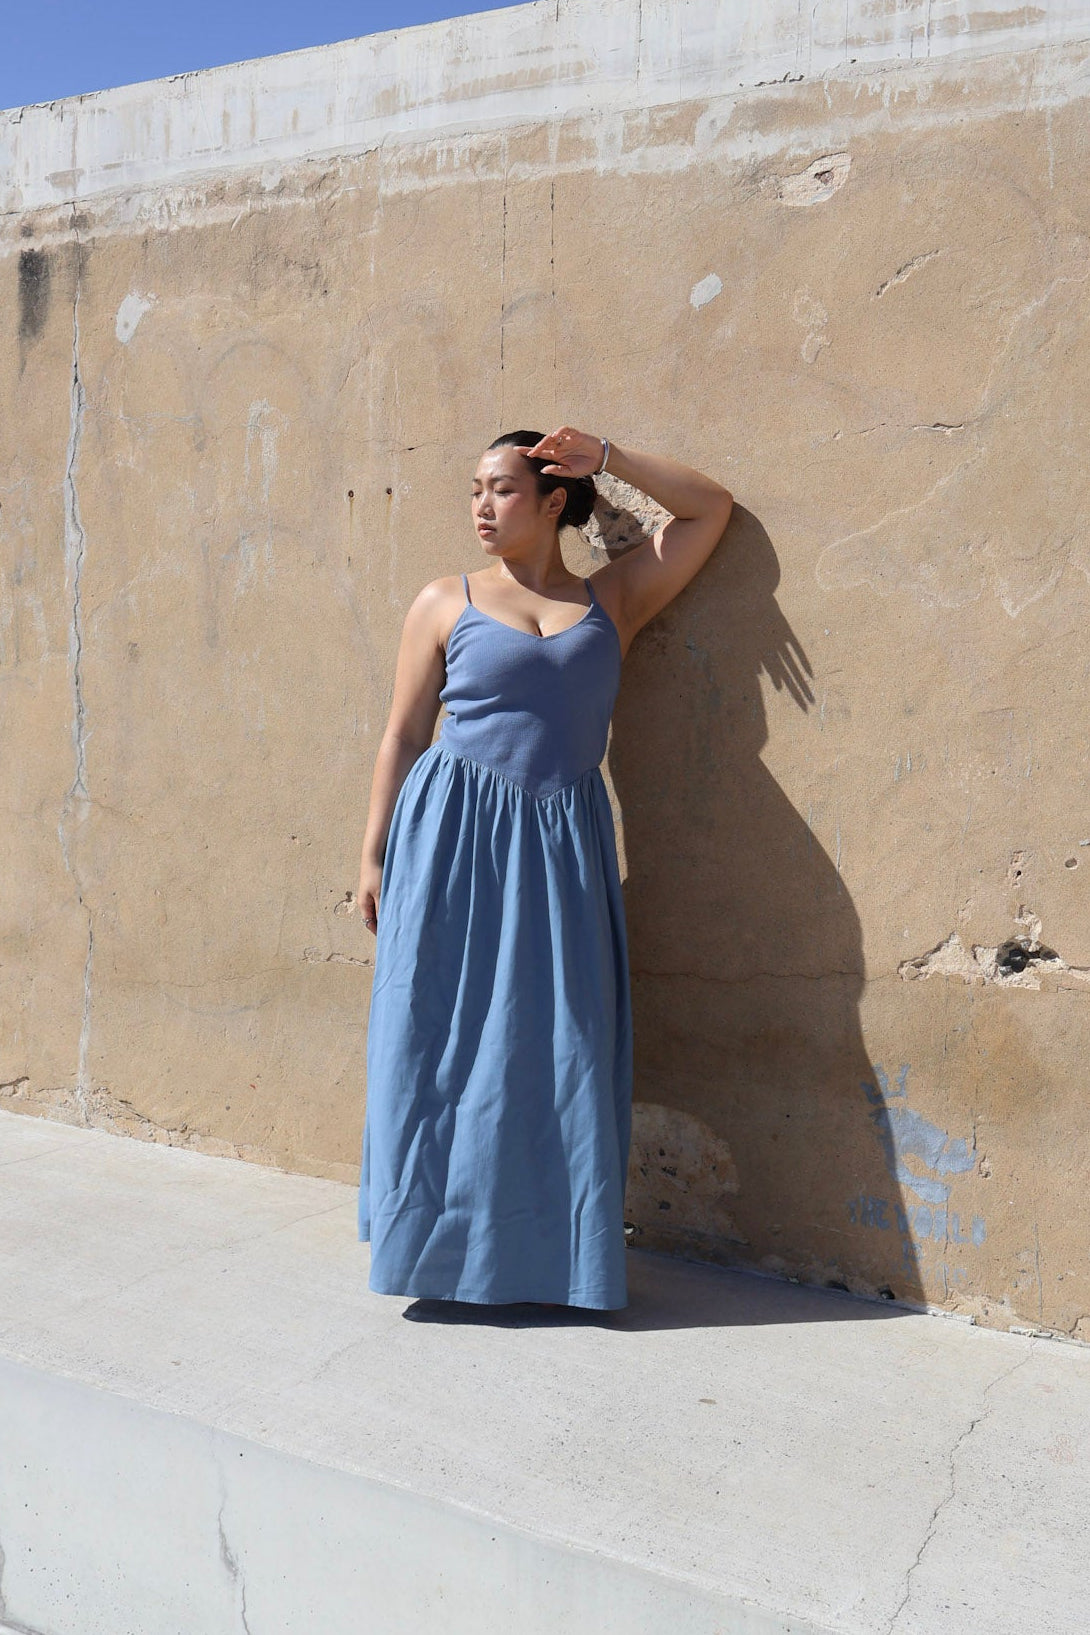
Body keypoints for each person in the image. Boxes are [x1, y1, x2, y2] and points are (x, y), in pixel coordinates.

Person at [356, 425, 733, 1311]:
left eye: (503, 489)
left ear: (553, 501)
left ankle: (548, 1258)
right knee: (439, 1045)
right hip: (451, 838)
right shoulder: (443, 600)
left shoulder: (615, 601)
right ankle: (437, 1251)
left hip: (562, 847)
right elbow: (405, 733)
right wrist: (373, 852)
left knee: (556, 1050)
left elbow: (710, 509)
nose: (482, 506)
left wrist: (610, 457)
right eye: (476, 490)